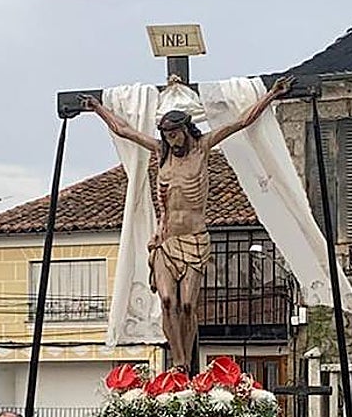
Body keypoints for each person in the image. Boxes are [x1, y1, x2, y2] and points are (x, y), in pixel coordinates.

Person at [81, 78, 290, 371]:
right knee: (167, 301)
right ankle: (178, 361)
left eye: (175, 135)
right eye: (166, 135)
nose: (171, 141)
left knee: (188, 305)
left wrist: (271, 95)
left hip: (194, 239)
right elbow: (124, 131)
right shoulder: (161, 152)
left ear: (185, 130)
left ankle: (187, 362)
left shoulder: (202, 148)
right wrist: (99, 109)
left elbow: (242, 121)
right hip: (166, 240)